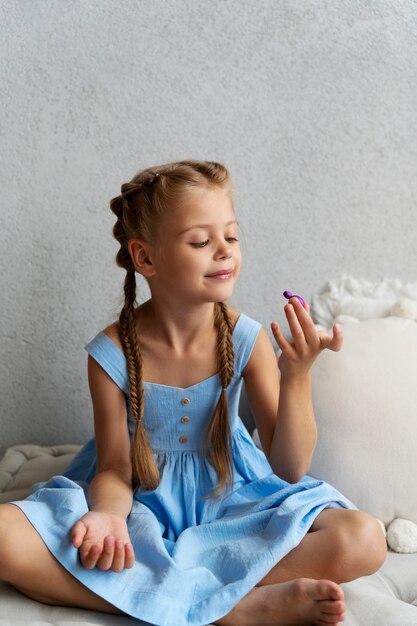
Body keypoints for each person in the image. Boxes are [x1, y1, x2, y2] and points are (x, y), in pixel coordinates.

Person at [0, 160, 386, 626]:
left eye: (232, 236)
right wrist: (107, 518)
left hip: (231, 501)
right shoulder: (110, 353)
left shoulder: (246, 339)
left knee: (364, 539)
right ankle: (233, 608)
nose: (224, 252)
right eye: (202, 242)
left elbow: (290, 468)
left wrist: (298, 375)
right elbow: (116, 468)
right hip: (137, 499)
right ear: (145, 258)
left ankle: (161, 592)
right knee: (4, 537)